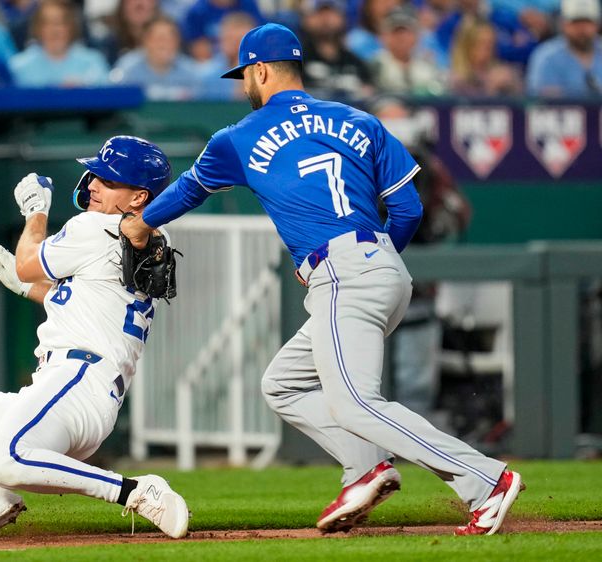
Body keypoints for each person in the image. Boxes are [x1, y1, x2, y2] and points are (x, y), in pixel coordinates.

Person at [121, 22, 524, 536]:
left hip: (343, 274)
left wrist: (142, 222)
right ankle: (366, 468)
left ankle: (485, 481)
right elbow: (407, 207)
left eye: (245, 74)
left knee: (357, 401)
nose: (244, 83)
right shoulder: (360, 119)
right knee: (283, 385)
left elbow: (190, 190)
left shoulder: (239, 136)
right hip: (383, 266)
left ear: (260, 70)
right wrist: (376, 256)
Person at [0, 136, 189, 542]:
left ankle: (134, 490)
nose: (92, 184)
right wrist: (28, 290)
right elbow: (79, 299)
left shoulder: (96, 227)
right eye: (95, 174)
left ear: (138, 197)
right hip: (69, 388)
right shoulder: (147, 238)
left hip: (79, 381)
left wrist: (35, 213)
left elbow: (26, 263)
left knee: (4, 460)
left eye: (108, 181)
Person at [371, 97, 472, 422]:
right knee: (366, 383)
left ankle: (418, 450)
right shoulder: (358, 163)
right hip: (368, 285)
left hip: (419, 286)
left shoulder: (429, 167)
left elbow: (456, 214)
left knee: (415, 386)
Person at [9, 0, 109, 87]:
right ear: (37, 28)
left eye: (60, 23)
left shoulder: (93, 63)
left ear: (71, 27)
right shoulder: (18, 66)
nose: (55, 30)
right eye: (48, 23)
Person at [109, 15, 200, 101]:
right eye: (159, 38)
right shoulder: (127, 67)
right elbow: (114, 98)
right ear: (145, 41)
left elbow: (200, 103)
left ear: (178, 42)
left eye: (170, 39)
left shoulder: (190, 70)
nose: (164, 44)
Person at [299, 0, 374, 100]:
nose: (325, 19)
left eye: (331, 13)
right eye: (319, 13)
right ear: (306, 19)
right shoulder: (297, 61)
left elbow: (370, 95)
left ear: (343, 18)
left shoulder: (356, 63)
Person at [526, 0, 602, 97]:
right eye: (575, 22)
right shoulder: (547, 56)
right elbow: (539, 98)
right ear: (563, 24)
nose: (581, 29)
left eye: (587, 22)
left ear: (597, 24)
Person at [371, 7, 446, 96]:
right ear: (383, 36)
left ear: (417, 36)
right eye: (395, 32)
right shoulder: (375, 65)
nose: (402, 38)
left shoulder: (428, 64)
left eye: (407, 32)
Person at [449, 17, 522, 96]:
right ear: (467, 45)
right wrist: (489, 88)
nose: (487, 49)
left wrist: (508, 86)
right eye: (481, 43)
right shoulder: (454, 80)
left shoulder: (503, 75)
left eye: (490, 43)